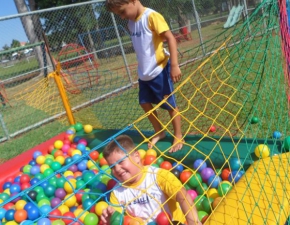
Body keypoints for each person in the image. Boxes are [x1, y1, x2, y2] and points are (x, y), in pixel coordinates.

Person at [105, 0, 183, 152]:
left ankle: (178, 134)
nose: (121, 17)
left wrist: (174, 65)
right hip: (144, 74)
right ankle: (159, 131)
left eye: (122, 12)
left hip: (159, 70)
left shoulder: (151, 16)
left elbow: (171, 38)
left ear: (133, 1)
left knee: (169, 104)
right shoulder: (131, 23)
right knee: (144, 103)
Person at [100, 135, 202, 225]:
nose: (117, 169)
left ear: (136, 156)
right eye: (112, 167)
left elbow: (182, 196)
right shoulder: (117, 192)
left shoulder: (157, 176)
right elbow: (118, 217)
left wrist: (193, 221)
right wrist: (111, 220)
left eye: (121, 161)